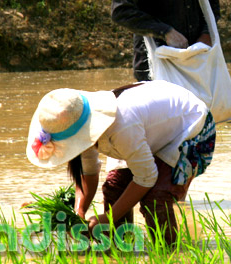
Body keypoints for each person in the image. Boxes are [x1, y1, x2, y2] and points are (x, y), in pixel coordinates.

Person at [26, 80, 216, 245]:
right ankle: (122, 248)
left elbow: (147, 177)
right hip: (148, 130)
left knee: (156, 198)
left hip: (190, 126)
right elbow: (89, 173)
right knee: (114, 189)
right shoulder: (80, 127)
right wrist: (80, 211)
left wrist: (107, 219)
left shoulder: (122, 126)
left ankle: (170, 254)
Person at [111, 0, 220, 81]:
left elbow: (212, 6)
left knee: (202, 109)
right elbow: (121, 11)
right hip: (155, 60)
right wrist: (165, 32)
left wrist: (206, 33)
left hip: (197, 58)